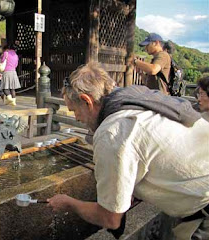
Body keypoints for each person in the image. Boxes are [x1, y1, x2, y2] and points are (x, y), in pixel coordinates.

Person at [47, 62, 209, 240]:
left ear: (87, 100)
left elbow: (110, 218)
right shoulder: (139, 100)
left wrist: (69, 203)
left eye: (74, 110)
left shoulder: (112, 132)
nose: (77, 118)